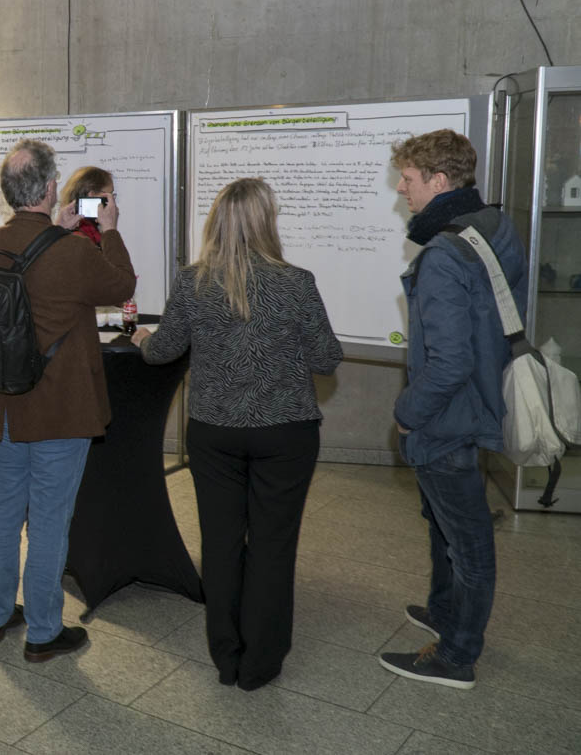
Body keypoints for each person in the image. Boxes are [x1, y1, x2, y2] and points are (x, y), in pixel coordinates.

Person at [134, 177, 342, 691]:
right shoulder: (297, 282)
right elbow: (326, 358)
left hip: (215, 433)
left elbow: (163, 351)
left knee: (221, 543)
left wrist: (142, 340)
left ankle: (226, 656)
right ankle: (260, 663)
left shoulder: (192, 282)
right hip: (285, 433)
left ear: (216, 223)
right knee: (273, 545)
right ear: (266, 221)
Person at [0, 139, 137, 662]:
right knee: (50, 520)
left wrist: (55, 227)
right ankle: (42, 631)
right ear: (52, 187)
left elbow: (30, 274)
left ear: (8, 191)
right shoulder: (75, 251)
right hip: (59, 409)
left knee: (5, 508)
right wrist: (110, 229)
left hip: (3, 404)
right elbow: (121, 285)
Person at [378, 129, 525, 690]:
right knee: (444, 522)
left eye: (409, 179)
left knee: (467, 542)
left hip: (447, 417)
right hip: (479, 404)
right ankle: (444, 612)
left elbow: (447, 362)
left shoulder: (442, 254)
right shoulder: (492, 226)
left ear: (438, 182)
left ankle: (457, 654)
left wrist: (407, 412)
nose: (402, 190)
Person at [59, 165, 115, 248]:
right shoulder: (80, 238)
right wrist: (110, 228)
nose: (112, 201)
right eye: (109, 195)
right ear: (92, 195)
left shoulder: (90, 230)